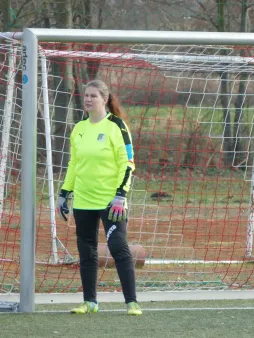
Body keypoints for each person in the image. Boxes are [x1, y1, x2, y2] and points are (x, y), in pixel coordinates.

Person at [56, 79, 142, 316]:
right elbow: (74, 164)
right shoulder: (79, 129)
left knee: (118, 247)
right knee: (87, 251)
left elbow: (128, 163)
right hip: (83, 200)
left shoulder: (117, 127)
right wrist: (64, 193)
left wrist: (120, 195)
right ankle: (90, 302)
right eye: (86, 95)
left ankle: (131, 302)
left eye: (93, 95)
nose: (88, 99)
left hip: (110, 200)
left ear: (104, 99)